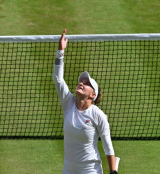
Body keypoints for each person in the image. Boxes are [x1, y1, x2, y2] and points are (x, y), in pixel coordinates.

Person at [53, 29, 118, 174]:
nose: (81, 83)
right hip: (68, 169)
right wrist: (60, 51)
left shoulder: (98, 115)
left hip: (90, 170)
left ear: (92, 95)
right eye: (81, 81)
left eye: (87, 83)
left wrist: (113, 172)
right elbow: (58, 79)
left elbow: (108, 146)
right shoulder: (68, 102)